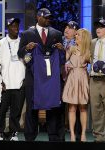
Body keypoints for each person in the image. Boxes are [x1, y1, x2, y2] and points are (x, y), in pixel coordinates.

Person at [18, 8, 65, 141]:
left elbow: (62, 56)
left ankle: (54, 137)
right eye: (46, 17)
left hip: (51, 77)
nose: (48, 19)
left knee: (53, 107)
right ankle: (30, 137)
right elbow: (20, 53)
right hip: (33, 77)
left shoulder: (57, 33)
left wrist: (62, 50)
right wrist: (27, 48)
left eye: (49, 17)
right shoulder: (27, 34)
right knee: (32, 107)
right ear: (38, 17)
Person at [0, 18, 25, 141]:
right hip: (5, 84)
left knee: (16, 112)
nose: (15, 28)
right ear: (8, 28)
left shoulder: (23, 43)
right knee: (1, 111)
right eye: (13, 26)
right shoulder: (0, 44)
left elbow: (27, 61)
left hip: (19, 83)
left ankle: (14, 132)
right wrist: (0, 81)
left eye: (17, 25)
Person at [62, 28, 91, 142]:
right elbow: (62, 60)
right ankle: (72, 135)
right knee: (72, 108)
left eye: (78, 35)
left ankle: (83, 134)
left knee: (83, 108)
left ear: (84, 37)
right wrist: (66, 65)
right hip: (72, 78)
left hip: (83, 78)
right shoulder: (71, 48)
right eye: (76, 35)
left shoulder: (88, 51)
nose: (76, 37)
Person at [62, 21, 82, 142]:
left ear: (75, 32)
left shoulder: (79, 43)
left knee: (77, 106)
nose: (66, 30)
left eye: (70, 28)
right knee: (63, 106)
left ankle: (77, 133)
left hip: (75, 77)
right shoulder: (60, 41)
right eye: (66, 27)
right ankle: (61, 134)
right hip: (61, 77)